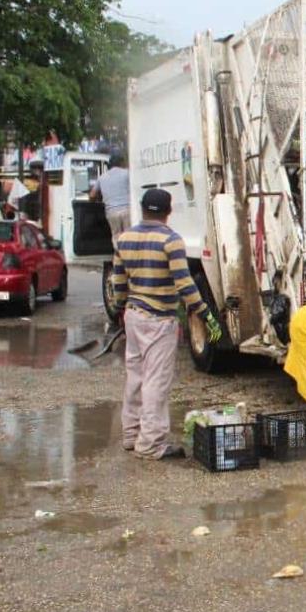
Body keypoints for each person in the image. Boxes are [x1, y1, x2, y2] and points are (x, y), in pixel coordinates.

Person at [111, 189, 222, 460]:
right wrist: (205, 313)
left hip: (134, 316)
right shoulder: (171, 241)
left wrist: (118, 308)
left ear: (141, 209)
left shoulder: (124, 239)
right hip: (159, 319)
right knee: (156, 382)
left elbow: (118, 282)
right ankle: (150, 444)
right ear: (168, 211)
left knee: (135, 377)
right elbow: (184, 283)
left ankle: (131, 434)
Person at [90, 151, 132, 242]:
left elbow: (92, 195)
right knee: (129, 235)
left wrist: (99, 199)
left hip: (111, 212)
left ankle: (118, 254)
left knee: (116, 236)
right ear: (121, 162)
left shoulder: (102, 177)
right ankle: (129, 254)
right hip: (126, 209)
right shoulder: (127, 173)